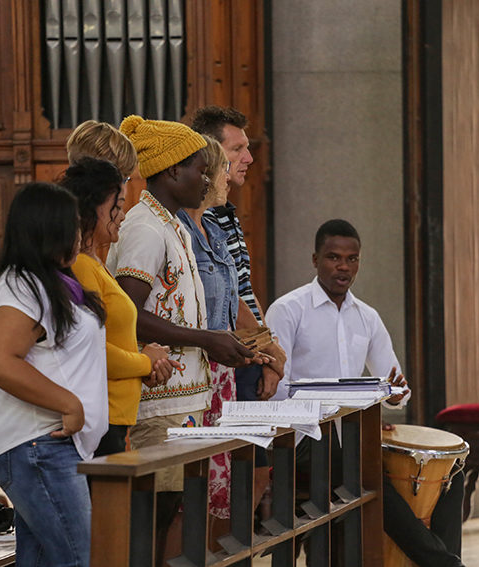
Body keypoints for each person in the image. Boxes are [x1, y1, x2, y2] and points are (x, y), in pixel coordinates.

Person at [106, 115, 267, 562]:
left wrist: (221, 341)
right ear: (173, 170)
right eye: (200, 169)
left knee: (174, 516)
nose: (208, 180)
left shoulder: (173, 225)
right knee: (153, 523)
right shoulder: (145, 227)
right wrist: (206, 340)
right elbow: (128, 316)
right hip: (158, 401)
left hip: (184, 401)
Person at [265, 219, 465, 567]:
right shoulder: (288, 310)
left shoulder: (367, 317)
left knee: (451, 470)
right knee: (360, 468)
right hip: (300, 438)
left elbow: (397, 386)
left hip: (353, 437)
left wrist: (393, 395)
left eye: (352, 259)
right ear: (315, 259)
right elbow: (277, 392)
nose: (343, 267)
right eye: (333, 257)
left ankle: (445, 560)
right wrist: (334, 411)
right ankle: (445, 565)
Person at [0, 182, 108, 566]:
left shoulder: (51, 282)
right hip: (38, 446)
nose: (80, 234)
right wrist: (69, 404)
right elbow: (0, 361)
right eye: (73, 225)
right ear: (48, 228)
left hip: (47, 447)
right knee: (80, 559)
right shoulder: (21, 286)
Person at [191, 105, 286, 509]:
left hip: (247, 351)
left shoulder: (224, 214)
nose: (249, 158)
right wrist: (269, 349)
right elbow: (226, 301)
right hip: (225, 355)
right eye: (237, 149)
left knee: (256, 472)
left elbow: (242, 289)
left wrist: (267, 349)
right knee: (235, 478)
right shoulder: (198, 218)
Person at [59, 156, 175, 457]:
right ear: (96, 207)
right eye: (118, 206)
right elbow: (89, 348)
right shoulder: (80, 266)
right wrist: (145, 362)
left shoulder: (94, 263)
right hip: (100, 414)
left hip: (114, 415)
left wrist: (147, 361)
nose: (122, 216)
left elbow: (111, 337)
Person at [177, 135, 239, 523]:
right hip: (194, 367)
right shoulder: (178, 229)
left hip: (222, 370)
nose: (228, 177)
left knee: (219, 492)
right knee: (188, 494)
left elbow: (232, 301)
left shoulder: (214, 229)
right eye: (222, 170)